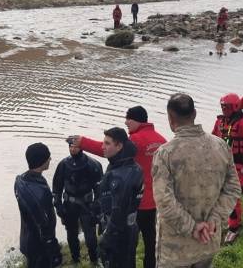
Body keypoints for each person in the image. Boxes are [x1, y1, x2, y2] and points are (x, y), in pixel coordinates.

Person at [153, 93, 242, 267]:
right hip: (208, 240)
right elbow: (233, 189)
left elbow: (164, 201)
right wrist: (214, 220)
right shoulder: (221, 146)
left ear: (171, 118)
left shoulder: (165, 153)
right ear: (194, 114)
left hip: (176, 250)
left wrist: (193, 228)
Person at [73, 106, 166, 268]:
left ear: (137, 120)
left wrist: (82, 142)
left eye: (128, 118)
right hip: (154, 200)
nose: (126, 122)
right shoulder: (162, 140)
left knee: (128, 245)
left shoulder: (135, 141)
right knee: (151, 242)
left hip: (133, 202)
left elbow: (107, 150)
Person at [96, 127, 144, 268]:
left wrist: (106, 237)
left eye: (107, 143)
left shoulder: (121, 175)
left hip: (118, 233)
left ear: (119, 146)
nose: (102, 146)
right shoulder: (131, 167)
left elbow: (118, 211)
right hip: (129, 229)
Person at [211, 93, 243, 243]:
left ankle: (234, 227)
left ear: (235, 107)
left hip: (239, 164)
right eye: (222, 106)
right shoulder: (220, 122)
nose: (224, 109)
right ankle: (227, 221)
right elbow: (212, 139)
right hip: (222, 164)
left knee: (233, 196)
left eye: (227, 107)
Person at [52, 139, 103, 264]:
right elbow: (57, 187)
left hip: (87, 205)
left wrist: (97, 209)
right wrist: (58, 206)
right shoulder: (63, 165)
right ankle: (75, 259)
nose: (72, 149)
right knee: (71, 235)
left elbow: (100, 190)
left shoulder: (93, 164)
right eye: (70, 147)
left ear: (81, 147)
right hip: (69, 205)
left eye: (75, 146)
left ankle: (94, 260)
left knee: (90, 237)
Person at [14, 143, 63, 268]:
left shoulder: (20, 180)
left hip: (26, 238)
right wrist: (53, 246)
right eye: (48, 157)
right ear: (42, 161)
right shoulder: (41, 192)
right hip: (39, 245)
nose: (50, 159)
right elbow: (44, 225)